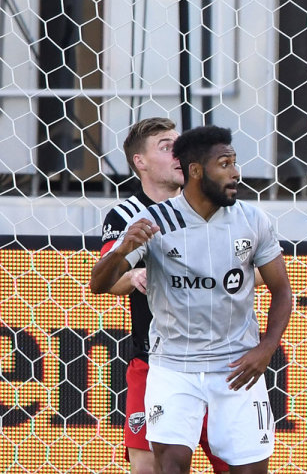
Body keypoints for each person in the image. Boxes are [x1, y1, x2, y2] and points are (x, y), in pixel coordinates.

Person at [89, 126, 294, 474]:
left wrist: (267, 347)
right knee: (169, 465)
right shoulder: (154, 221)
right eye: (225, 164)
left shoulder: (252, 219)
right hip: (173, 367)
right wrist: (124, 249)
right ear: (196, 170)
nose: (235, 172)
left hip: (235, 368)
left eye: (235, 162)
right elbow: (98, 284)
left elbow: (282, 290)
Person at [93, 117, 228, 474]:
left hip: (217, 362)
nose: (178, 154)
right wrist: (137, 272)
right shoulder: (125, 215)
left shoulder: (214, 208)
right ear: (140, 162)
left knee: (235, 463)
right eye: (167, 147)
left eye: (180, 145)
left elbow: (261, 271)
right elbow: (108, 277)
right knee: (147, 464)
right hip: (155, 361)